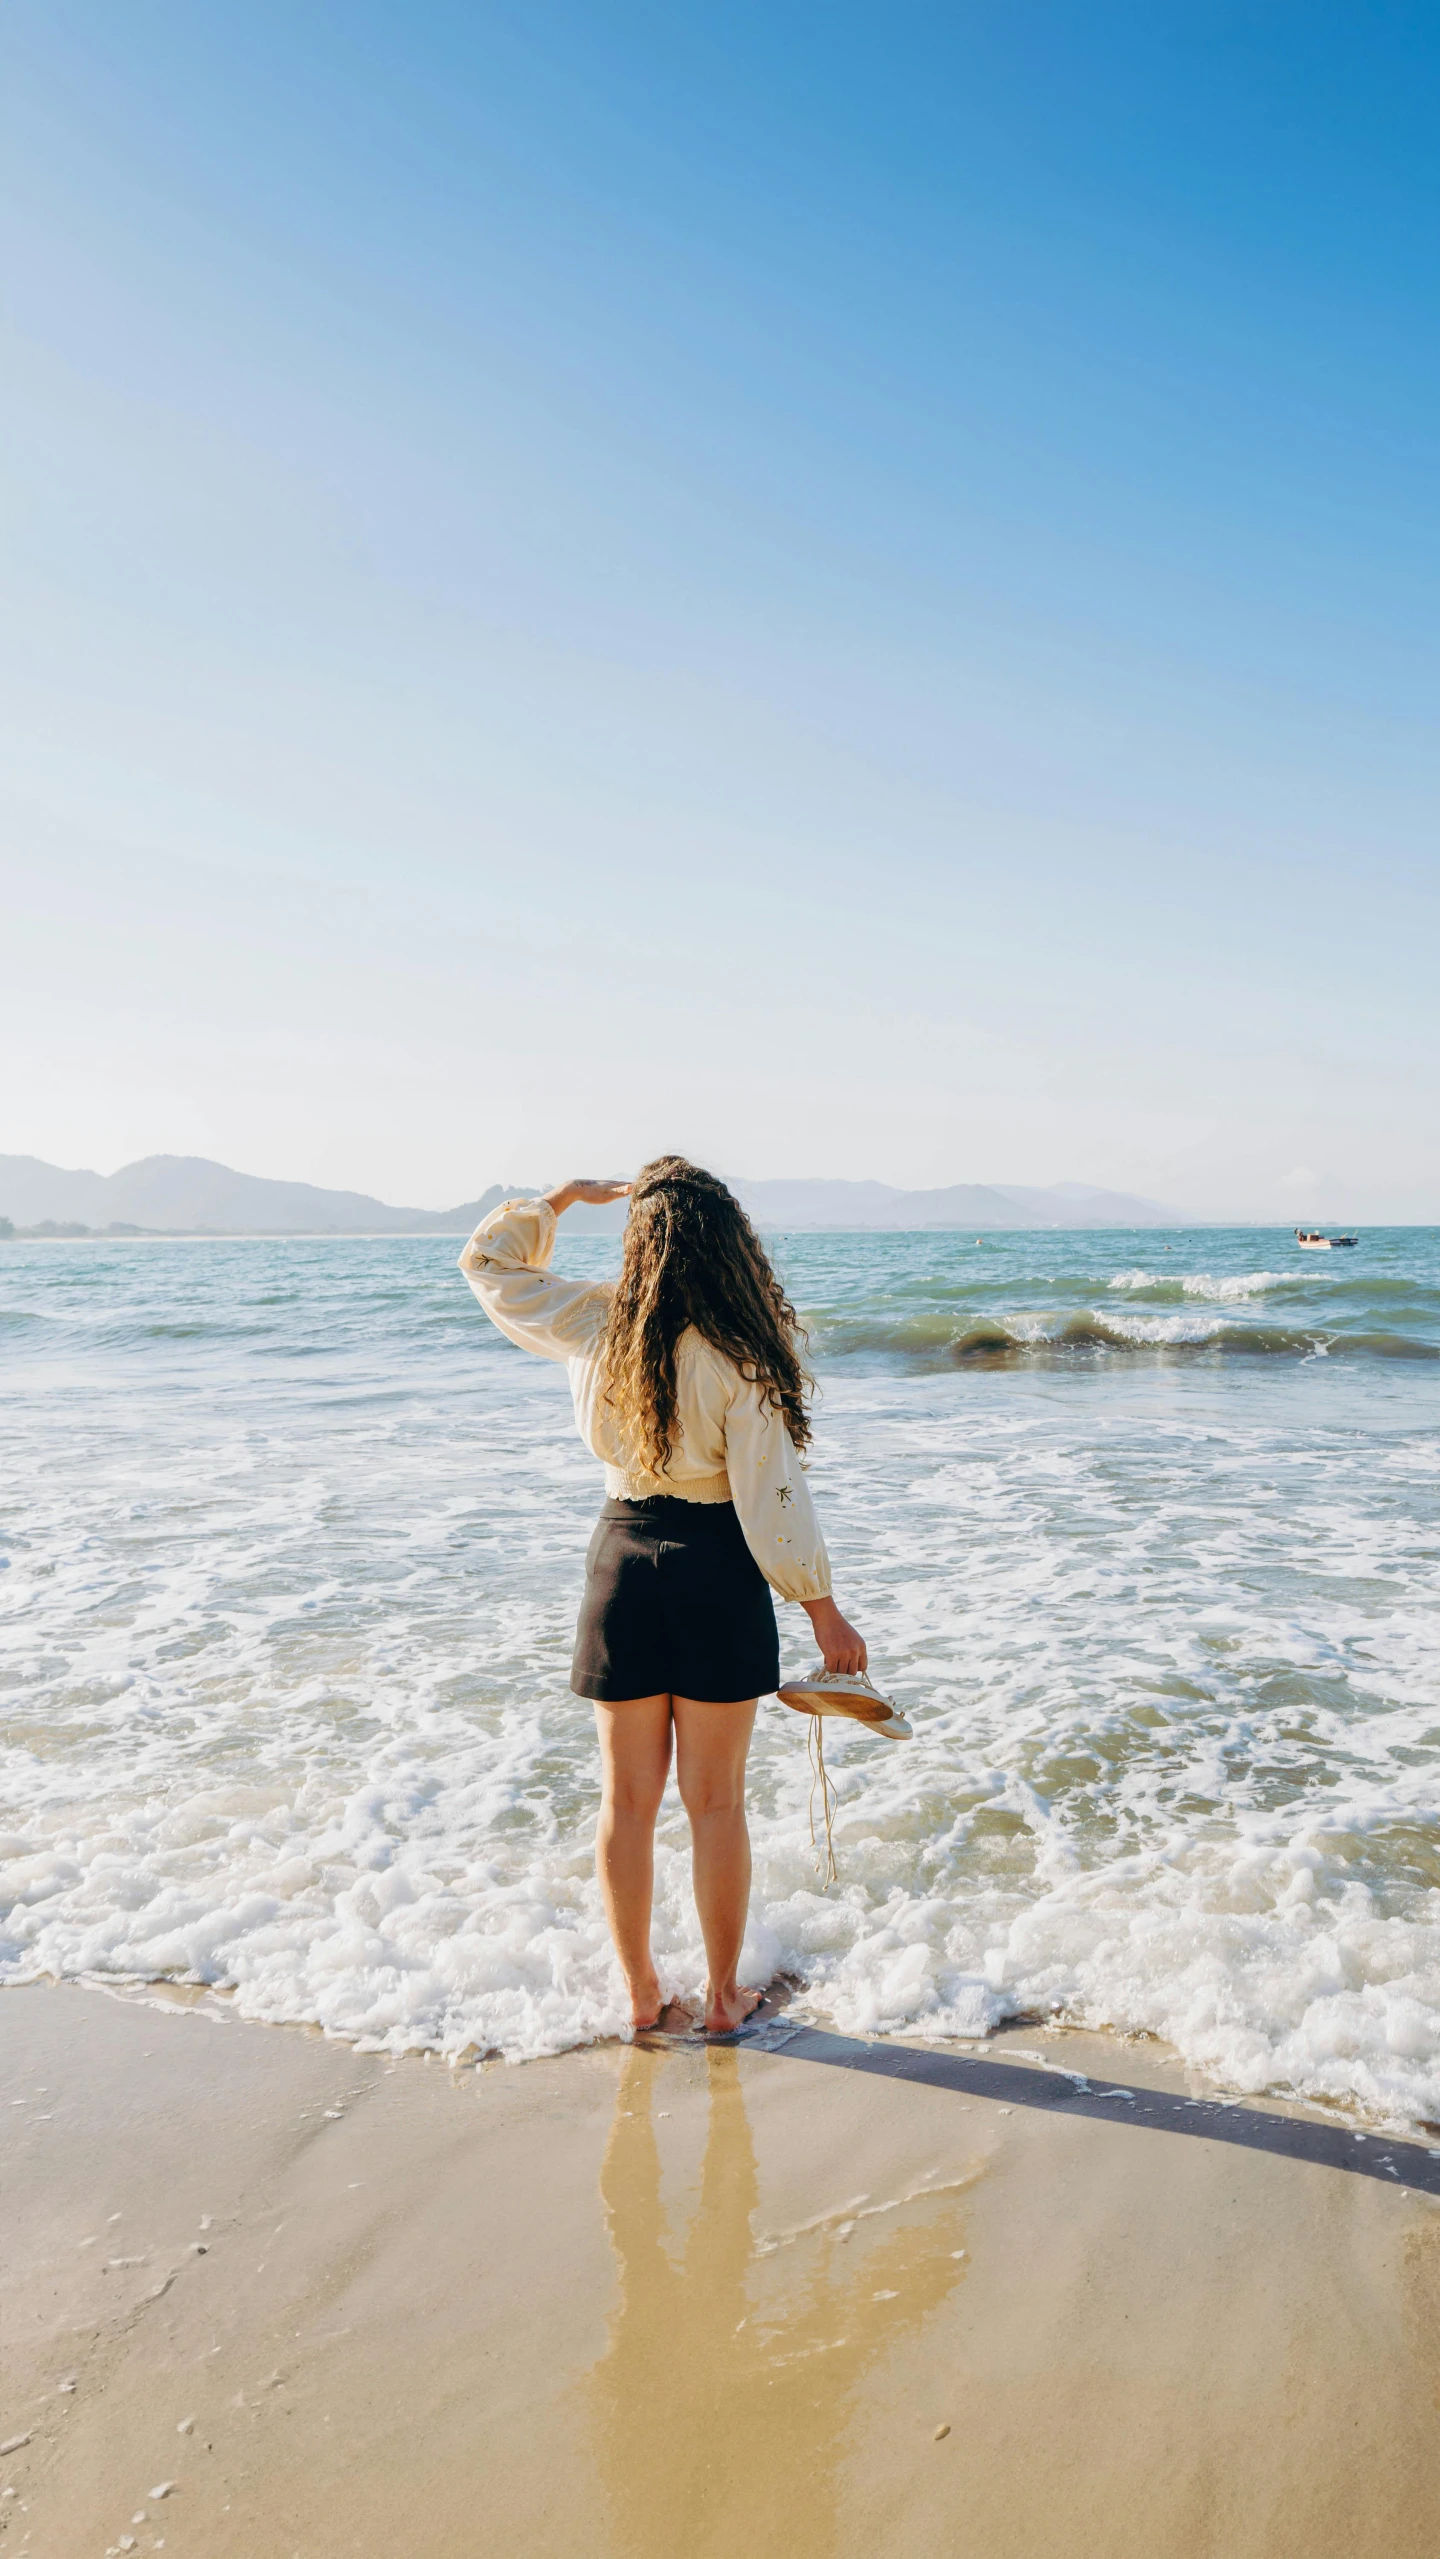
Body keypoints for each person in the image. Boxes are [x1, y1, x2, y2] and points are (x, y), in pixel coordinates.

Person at [459, 1158, 866, 2039]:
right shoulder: (738, 1351)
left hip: (621, 1566)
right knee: (715, 1802)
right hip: (717, 1571)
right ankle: (724, 2001)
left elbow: (488, 1265)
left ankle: (642, 1994)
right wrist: (820, 1607)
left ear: (640, 1242)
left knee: (627, 1800)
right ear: (728, 1245)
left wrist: (559, 1202)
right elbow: (774, 1499)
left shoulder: (594, 1324)